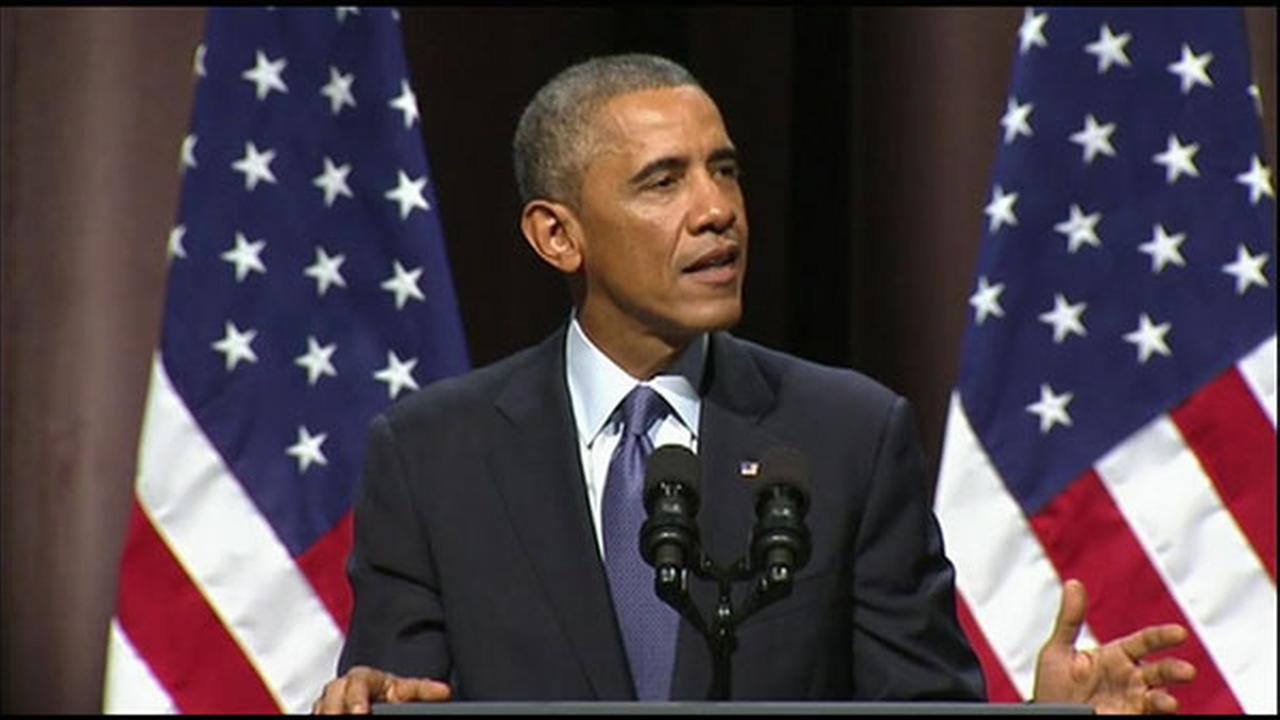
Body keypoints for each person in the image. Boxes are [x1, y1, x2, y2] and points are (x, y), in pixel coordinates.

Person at [314, 53, 1195, 714]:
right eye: (663, 181)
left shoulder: (848, 434)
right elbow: (394, 694)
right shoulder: (432, 456)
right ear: (558, 236)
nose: (716, 210)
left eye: (724, 169)